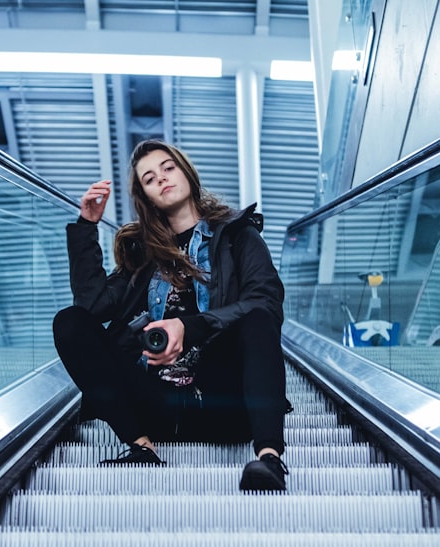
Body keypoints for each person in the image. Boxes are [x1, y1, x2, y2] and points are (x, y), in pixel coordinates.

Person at [53, 139, 292, 491]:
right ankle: (140, 446)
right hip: (154, 404)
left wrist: (189, 328)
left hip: (222, 402)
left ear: (186, 171)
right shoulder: (141, 254)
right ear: (146, 196)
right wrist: (86, 227)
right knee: (69, 322)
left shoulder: (237, 236)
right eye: (149, 179)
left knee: (256, 318)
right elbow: (92, 308)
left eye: (168, 168)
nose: (162, 179)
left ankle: (269, 458)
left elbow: (266, 302)